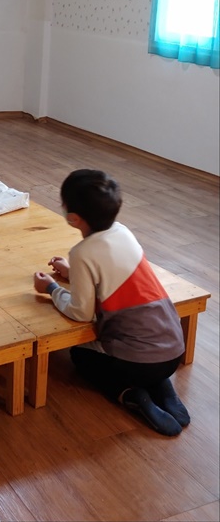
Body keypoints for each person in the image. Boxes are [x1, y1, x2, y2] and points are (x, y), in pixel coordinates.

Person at [33, 169, 189, 436]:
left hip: (137, 365)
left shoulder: (82, 252)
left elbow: (80, 312)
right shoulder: (123, 232)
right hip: (173, 351)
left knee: (80, 356)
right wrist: (73, 272)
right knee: (151, 363)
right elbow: (112, 272)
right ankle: (162, 386)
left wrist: (52, 288)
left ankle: (131, 395)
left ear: (73, 218)